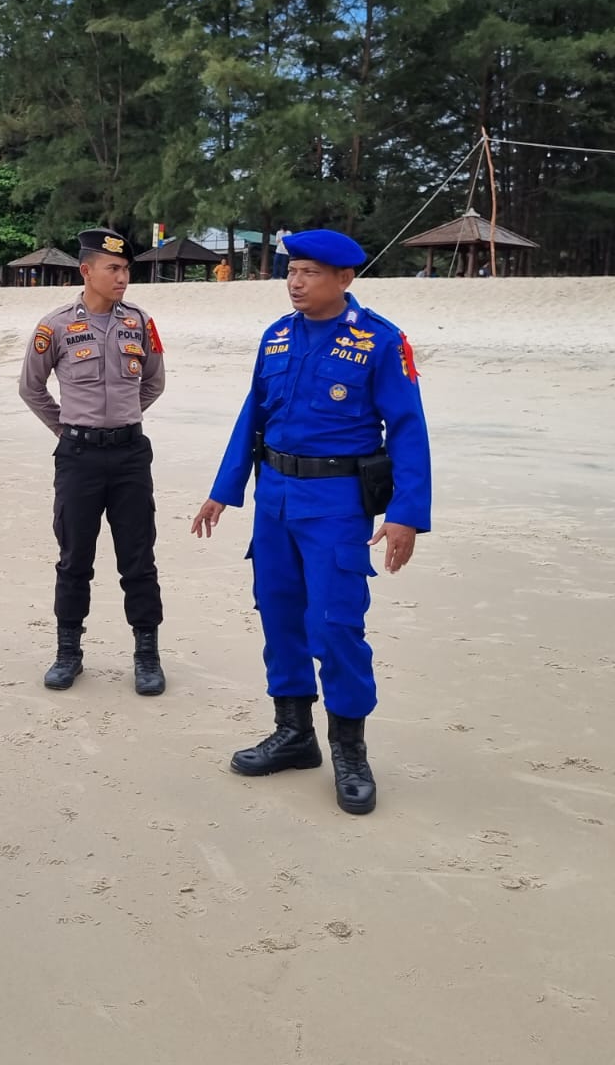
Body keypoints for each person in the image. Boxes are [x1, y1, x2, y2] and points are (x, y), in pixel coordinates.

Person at [191, 229, 431, 815]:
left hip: (336, 505)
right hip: (274, 501)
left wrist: (405, 516)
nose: (296, 283)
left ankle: (349, 748)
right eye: (291, 271)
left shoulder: (380, 341)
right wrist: (224, 491)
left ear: (345, 279)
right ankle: (294, 734)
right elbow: (253, 417)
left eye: (311, 273)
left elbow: (407, 430)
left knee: (335, 624)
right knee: (279, 617)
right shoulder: (275, 338)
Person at [20, 228, 168, 696]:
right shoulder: (55, 326)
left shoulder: (141, 323)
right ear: (87, 271)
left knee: (138, 559)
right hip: (78, 457)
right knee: (74, 558)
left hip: (129, 455)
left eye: (126, 269)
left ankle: (147, 655)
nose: (123, 277)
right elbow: (32, 388)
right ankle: (68, 653)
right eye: (114, 269)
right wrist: (67, 429)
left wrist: (122, 419)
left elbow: (153, 382)